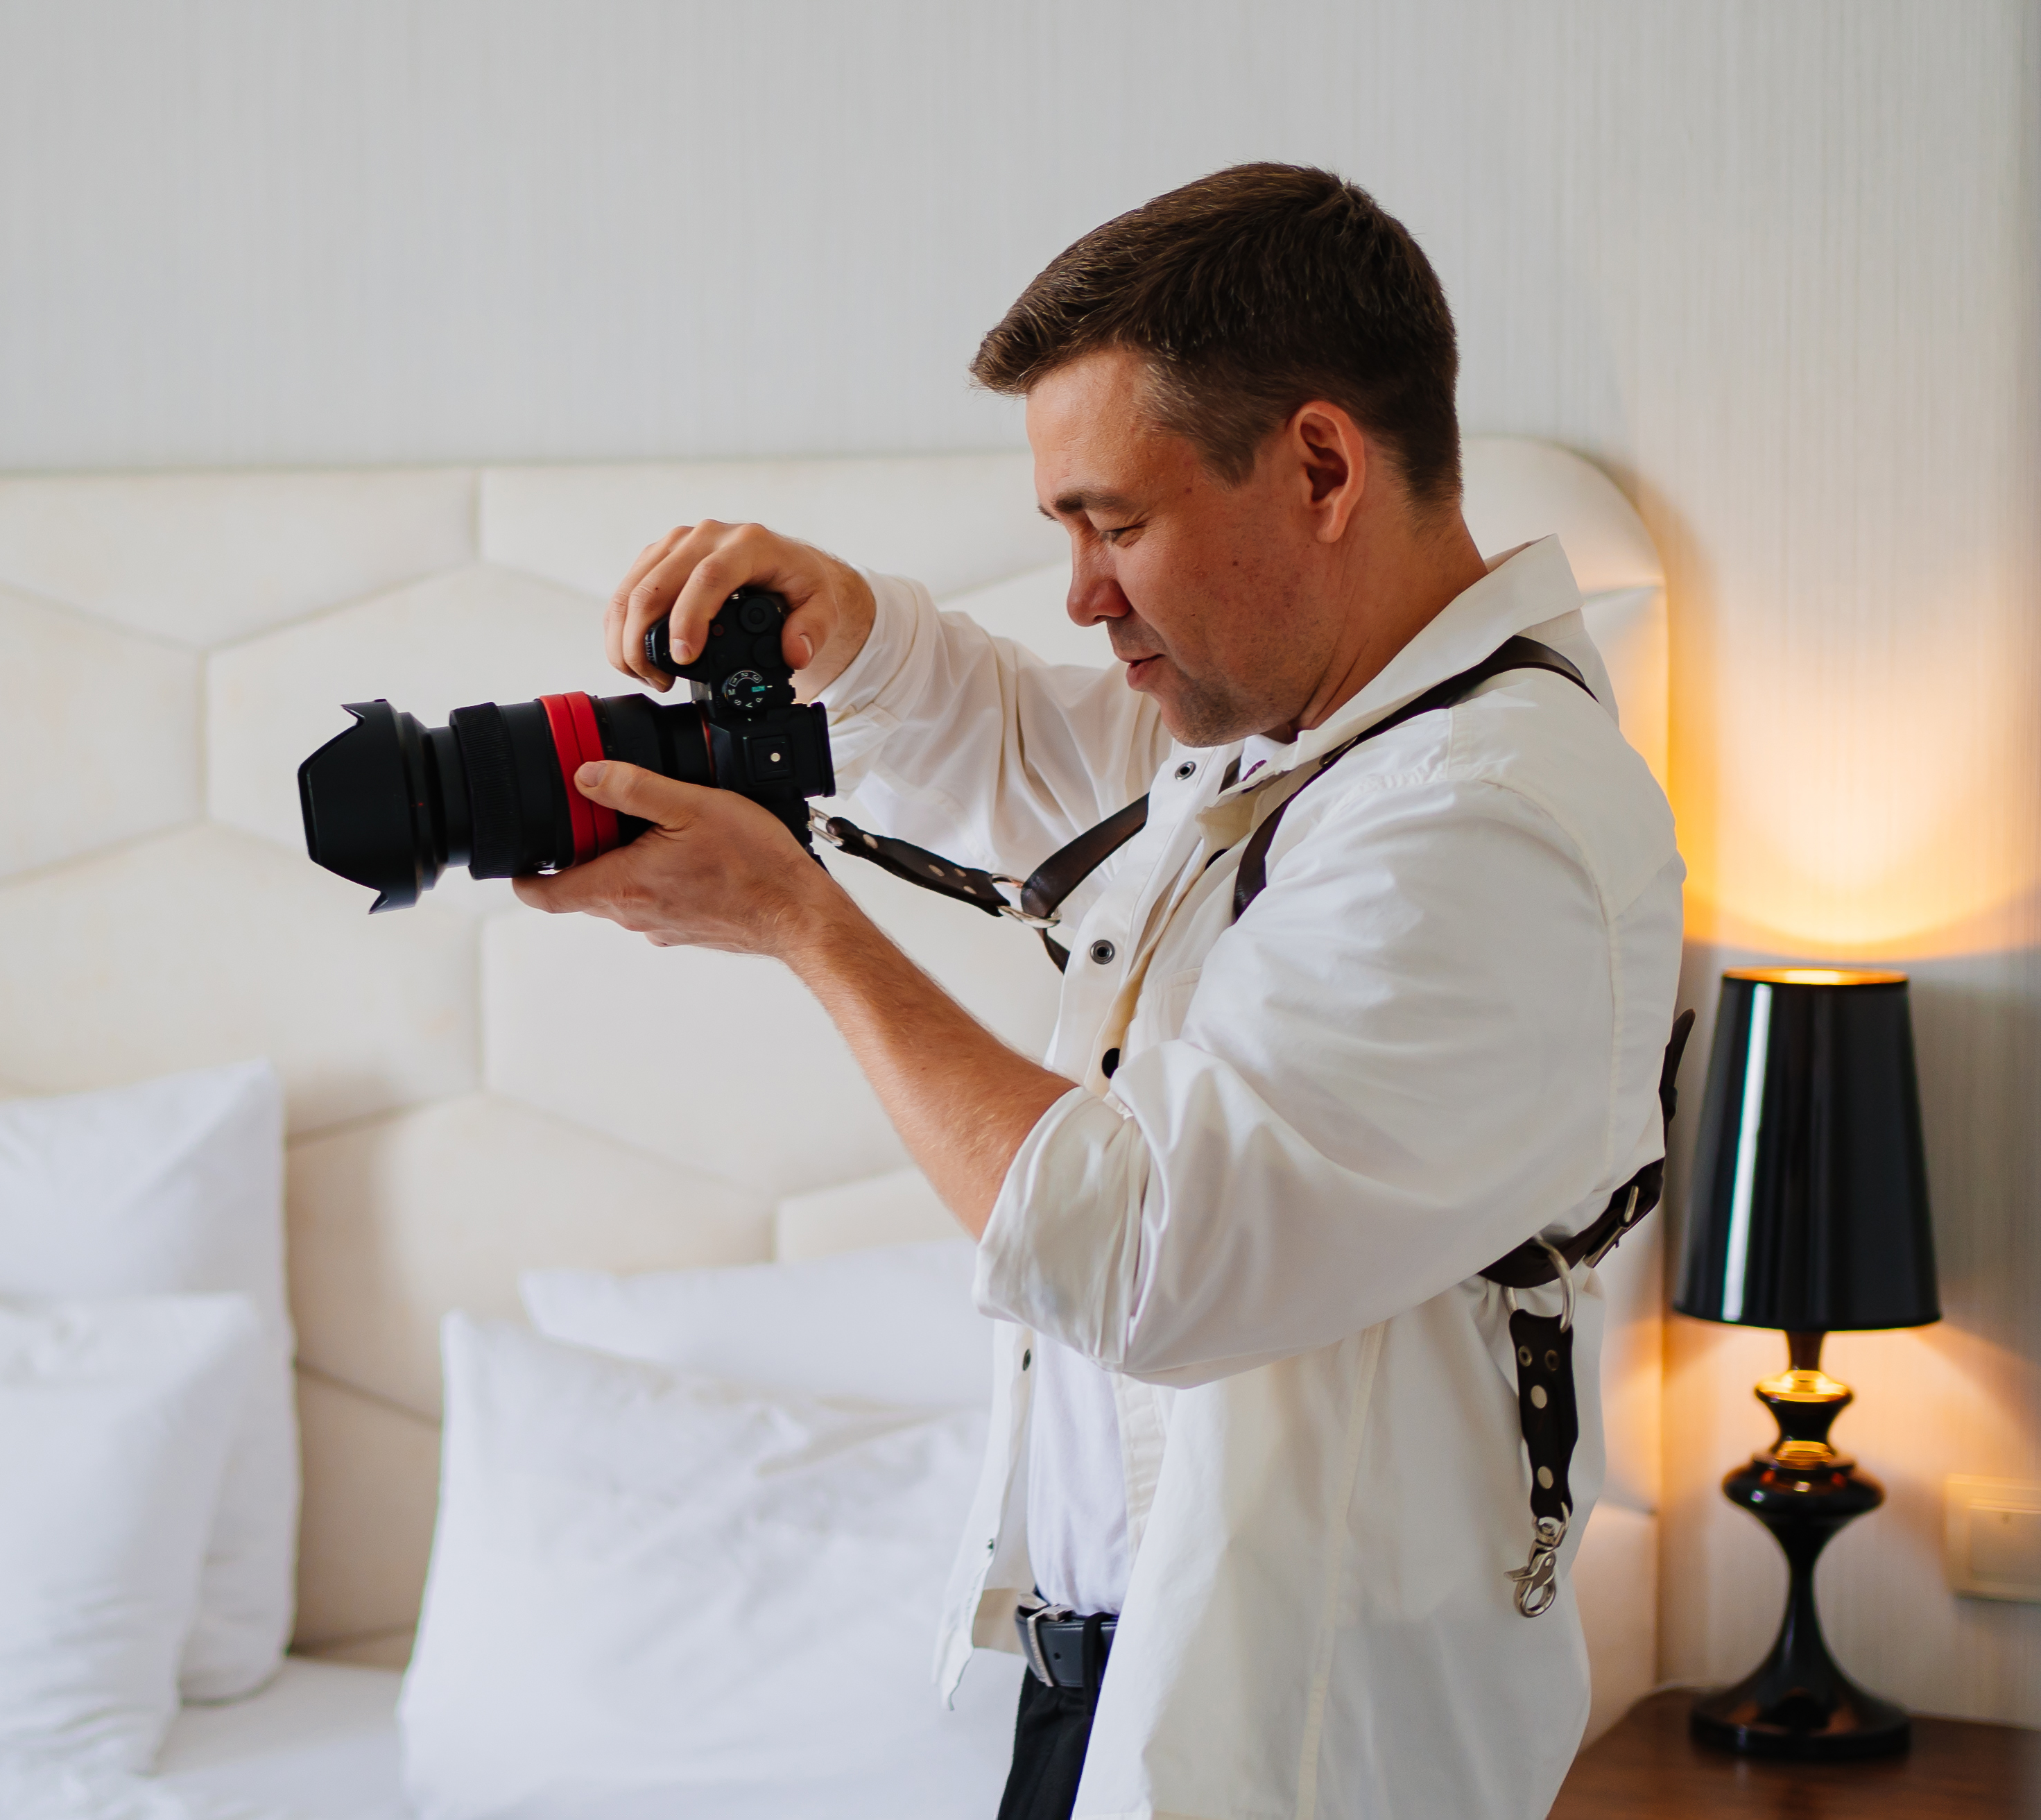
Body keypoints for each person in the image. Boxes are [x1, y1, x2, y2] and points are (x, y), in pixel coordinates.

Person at [514, 163, 1683, 1820]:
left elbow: (1147, 1260)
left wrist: (805, 929)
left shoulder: (1480, 823)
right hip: (1123, 1697)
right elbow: (1055, 764)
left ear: (1323, 466)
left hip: (1297, 1751)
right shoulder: (1311, 746)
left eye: (1115, 524)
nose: (1081, 592)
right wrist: (857, 639)